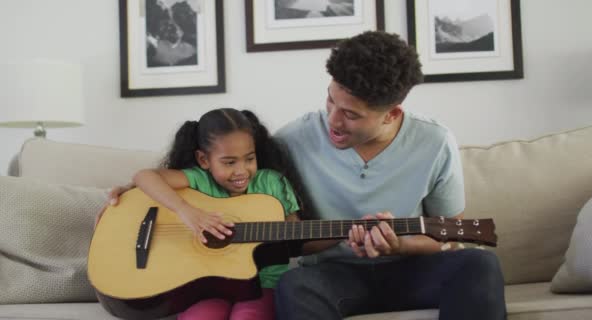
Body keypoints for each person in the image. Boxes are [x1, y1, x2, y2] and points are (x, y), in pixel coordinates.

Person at [271, 31, 507, 319]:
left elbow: (450, 233)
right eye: (330, 100)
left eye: (351, 114)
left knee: (479, 263)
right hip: (333, 276)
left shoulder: (435, 142)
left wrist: (400, 244)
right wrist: (343, 235)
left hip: (411, 270)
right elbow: (288, 239)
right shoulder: (290, 141)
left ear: (391, 114)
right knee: (294, 285)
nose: (333, 119)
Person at [101, 108, 302, 320]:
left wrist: (337, 237)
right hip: (204, 285)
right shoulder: (199, 181)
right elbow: (144, 176)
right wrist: (186, 212)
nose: (242, 170)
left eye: (249, 159)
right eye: (229, 162)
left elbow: (296, 238)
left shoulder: (272, 183)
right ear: (204, 160)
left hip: (263, 284)